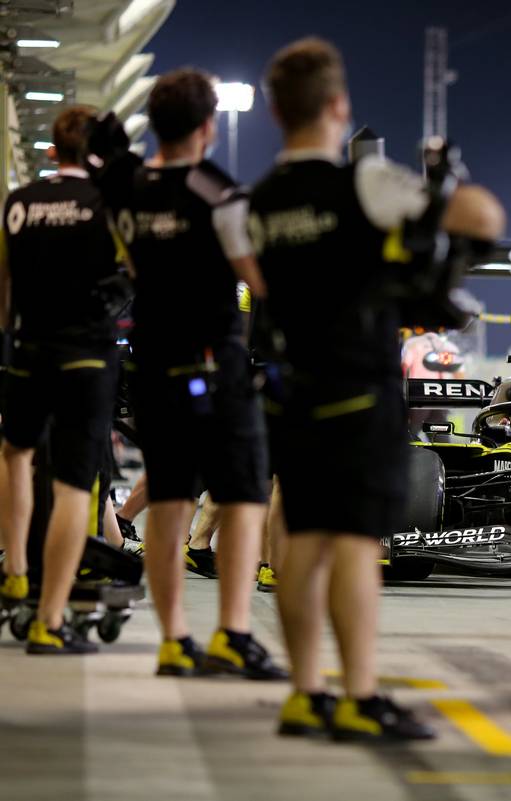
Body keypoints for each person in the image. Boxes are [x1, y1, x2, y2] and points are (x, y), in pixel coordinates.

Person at [251, 37, 504, 741]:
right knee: (358, 542)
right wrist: (444, 189)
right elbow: (481, 219)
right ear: (339, 105)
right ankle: (360, 693)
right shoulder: (362, 183)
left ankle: (305, 691)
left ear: (273, 110)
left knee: (302, 537)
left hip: (291, 385)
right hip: (359, 386)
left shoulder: (259, 201)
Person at [87, 69, 284, 679]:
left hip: (151, 363)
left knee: (168, 498)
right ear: (207, 128)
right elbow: (259, 281)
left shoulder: (129, 187)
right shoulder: (219, 192)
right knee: (247, 488)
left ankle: (175, 639)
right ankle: (232, 633)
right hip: (214, 363)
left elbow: (113, 182)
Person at [0, 106, 126, 653]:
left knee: (16, 456)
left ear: (53, 149)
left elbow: (3, 292)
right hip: (86, 358)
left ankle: (16, 572)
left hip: (27, 352)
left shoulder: (19, 203)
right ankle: (51, 618)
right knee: (76, 484)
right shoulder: (107, 205)